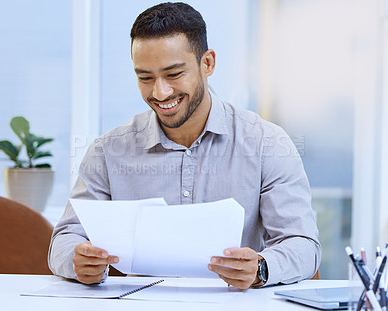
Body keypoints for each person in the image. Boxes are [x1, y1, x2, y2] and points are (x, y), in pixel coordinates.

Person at [48, 2, 321, 290]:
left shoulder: (267, 144)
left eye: (174, 74)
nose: (160, 92)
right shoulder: (107, 151)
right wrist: (77, 259)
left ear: (208, 63)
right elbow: (64, 240)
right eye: (145, 78)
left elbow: (302, 244)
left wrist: (261, 268)